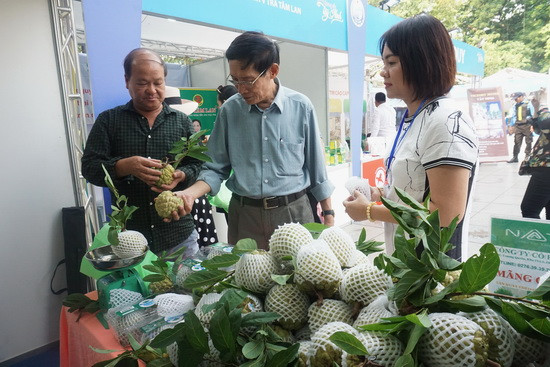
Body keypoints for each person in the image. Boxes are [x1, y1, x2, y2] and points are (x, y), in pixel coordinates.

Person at [170, 31, 335, 249]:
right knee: (245, 278)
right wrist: (189, 194)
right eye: (235, 80)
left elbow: (316, 168)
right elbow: (214, 167)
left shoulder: (301, 107)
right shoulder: (230, 110)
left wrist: (329, 215)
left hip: (293, 212)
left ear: (273, 71)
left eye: (247, 80)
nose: (241, 89)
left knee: (298, 278)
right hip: (245, 215)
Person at [343, 14, 479, 260]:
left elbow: (445, 215)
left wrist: (371, 211)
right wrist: (383, 195)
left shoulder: (445, 121)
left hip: (433, 273)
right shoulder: (416, 116)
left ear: (421, 62)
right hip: (408, 264)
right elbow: (416, 190)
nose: (383, 73)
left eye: (391, 62)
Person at [81, 48, 202, 255]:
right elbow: (89, 168)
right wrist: (123, 166)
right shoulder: (109, 121)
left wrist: (182, 175)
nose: (152, 90)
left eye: (158, 82)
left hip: (178, 234)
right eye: (142, 83)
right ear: (127, 81)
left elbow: (199, 165)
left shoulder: (181, 122)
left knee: (187, 286)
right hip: (130, 239)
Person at [520, 105, 550, 219]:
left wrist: (542, 110)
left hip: (546, 170)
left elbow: (546, 123)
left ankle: (537, 237)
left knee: (529, 209)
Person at [507, 92, 535, 163]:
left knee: (528, 142)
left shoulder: (529, 104)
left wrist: (532, 126)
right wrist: (510, 125)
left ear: (521, 97)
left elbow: (533, 115)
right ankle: (515, 157)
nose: (515, 100)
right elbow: (512, 116)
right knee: (517, 142)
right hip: (518, 126)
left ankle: (527, 156)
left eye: (516, 98)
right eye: (514, 99)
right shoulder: (515, 106)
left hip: (527, 126)